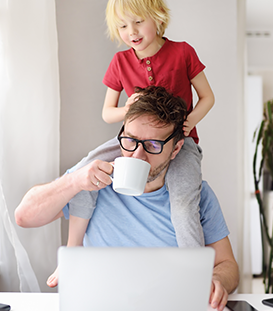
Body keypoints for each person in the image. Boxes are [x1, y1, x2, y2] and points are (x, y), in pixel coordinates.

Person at [15, 86, 239, 311]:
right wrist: (73, 181)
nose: (137, 155)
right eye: (130, 141)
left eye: (153, 145)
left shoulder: (197, 195)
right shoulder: (92, 182)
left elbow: (227, 265)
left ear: (176, 148)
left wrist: (217, 280)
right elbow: (24, 216)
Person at [50, 0, 216, 285]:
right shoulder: (119, 62)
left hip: (179, 144)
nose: (131, 32)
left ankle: (195, 277)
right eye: (123, 26)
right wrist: (127, 109)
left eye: (138, 22)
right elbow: (107, 113)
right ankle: (71, 257)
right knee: (86, 174)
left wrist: (190, 123)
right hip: (129, 141)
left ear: (157, 17)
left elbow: (207, 97)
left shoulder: (183, 52)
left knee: (183, 202)